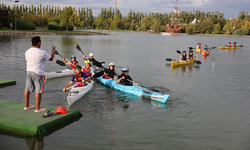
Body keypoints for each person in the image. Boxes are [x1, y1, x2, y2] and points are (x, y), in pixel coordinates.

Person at [24, 36, 55, 113]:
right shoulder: (42, 52)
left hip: (28, 72)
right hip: (38, 73)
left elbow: (27, 61)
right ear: (38, 43)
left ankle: (27, 106)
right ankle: (38, 108)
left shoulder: (27, 51)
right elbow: (51, 58)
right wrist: (53, 51)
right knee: (39, 90)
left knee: (27, 89)